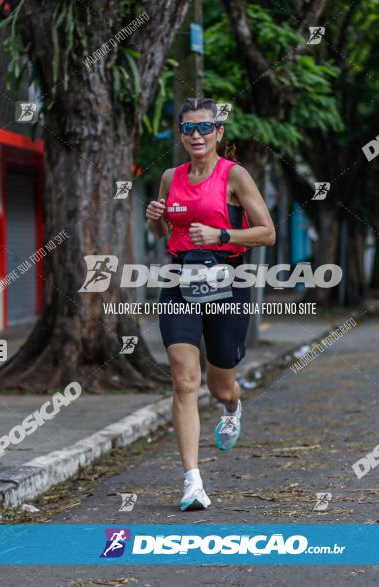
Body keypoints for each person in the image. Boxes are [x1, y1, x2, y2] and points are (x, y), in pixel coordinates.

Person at [146, 98, 276, 511]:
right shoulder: (171, 176)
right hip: (180, 280)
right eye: (188, 129)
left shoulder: (234, 175)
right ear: (181, 135)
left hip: (228, 281)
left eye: (204, 128)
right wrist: (154, 216)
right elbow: (161, 228)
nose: (196, 136)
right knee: (184, 380)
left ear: (219, 132)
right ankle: (192, 482)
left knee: (220, 384)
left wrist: (222, 235)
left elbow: (267, 233)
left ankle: (233, 407)